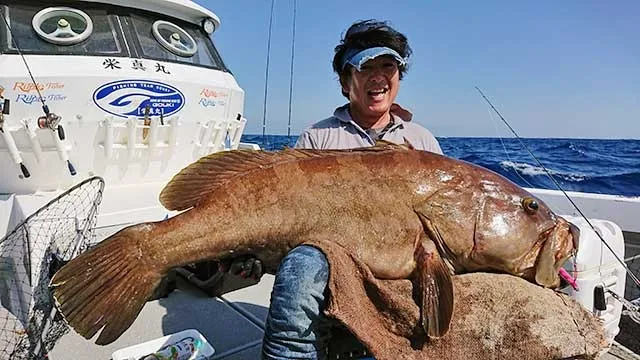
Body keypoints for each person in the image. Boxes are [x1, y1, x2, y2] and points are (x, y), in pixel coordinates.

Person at [231, 19, 444, 359]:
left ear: (399, 76)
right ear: (346, 82)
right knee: (301, 265)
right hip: (333, 262)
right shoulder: (318, 138)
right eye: (365, 67)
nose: (378, 77)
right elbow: (290, 214)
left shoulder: (422, 141)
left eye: (388, 66)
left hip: (400, 264)